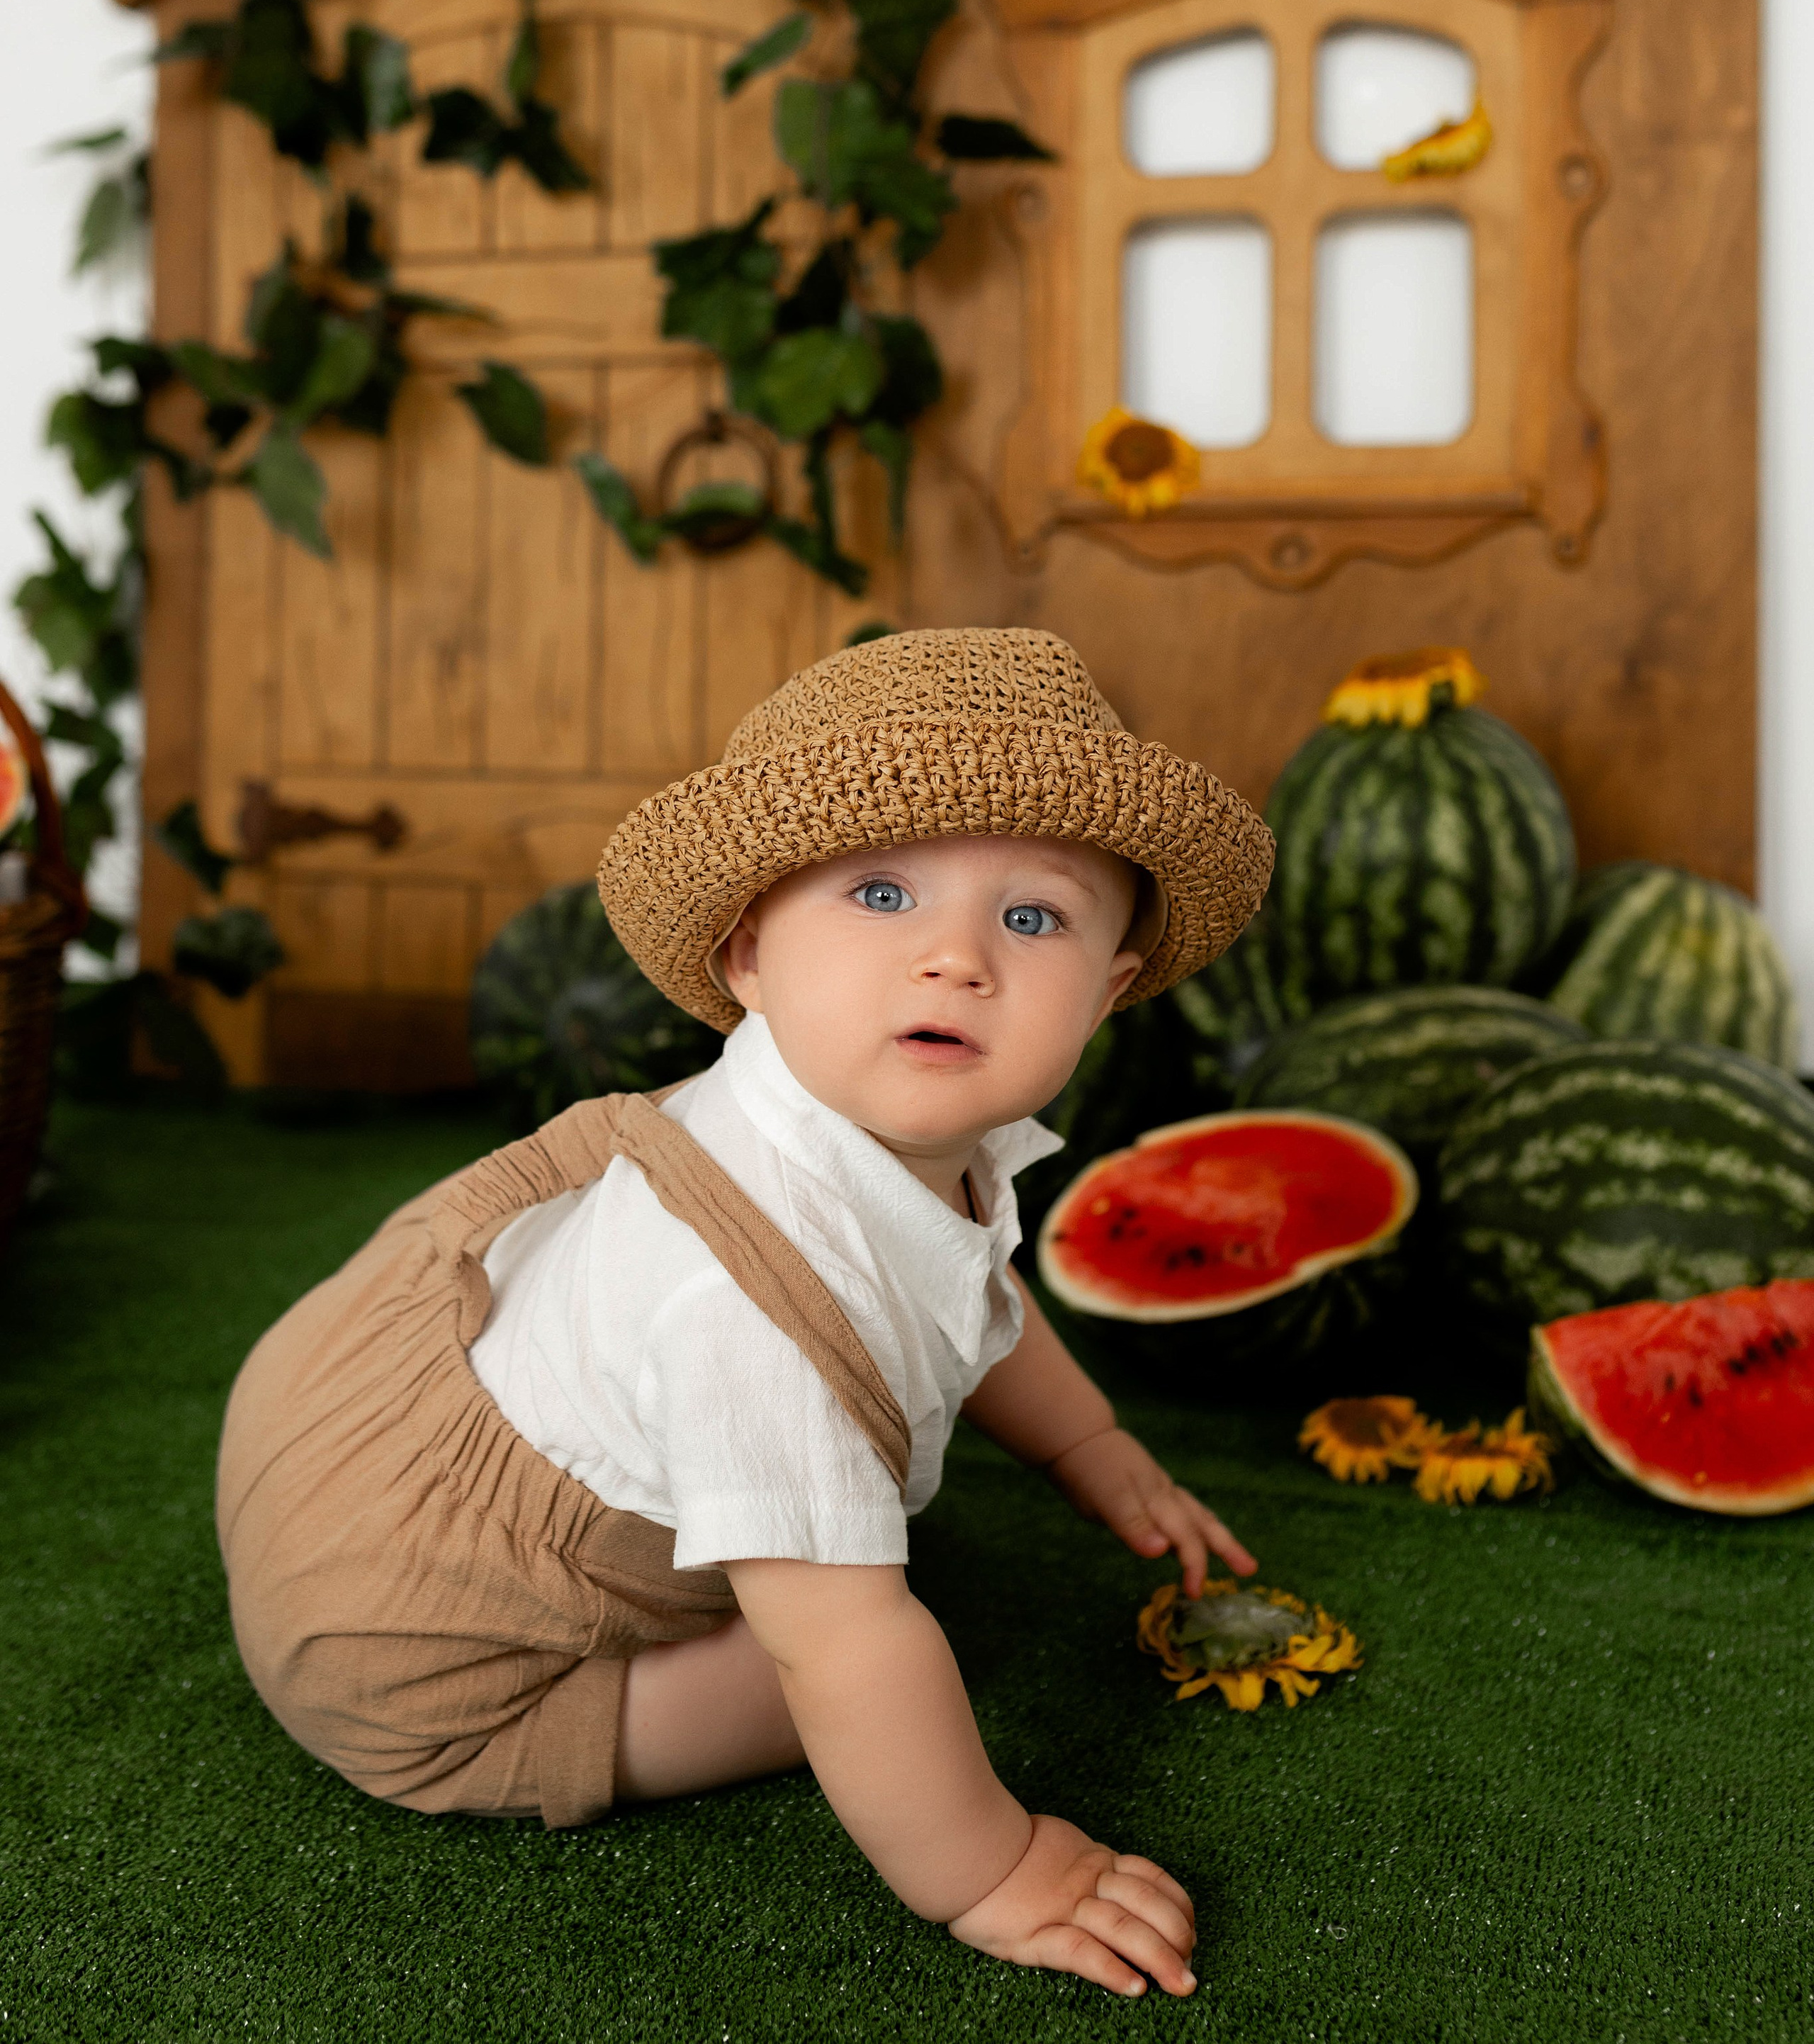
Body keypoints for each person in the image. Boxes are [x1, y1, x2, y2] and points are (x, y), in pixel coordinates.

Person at [217, 627, 1273, 1999]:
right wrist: (997, 1868)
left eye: (1031, 917)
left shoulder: (891, 1140)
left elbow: (973, 1280)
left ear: (1110, 986)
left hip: (360, 1457)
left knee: (863, 1586)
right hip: (434, 1662)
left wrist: (1088, 1445)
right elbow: (840, 1646)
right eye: (881, 892)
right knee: (867, 1653)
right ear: (748, 952)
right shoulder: (744, 1301)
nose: (955, 958)